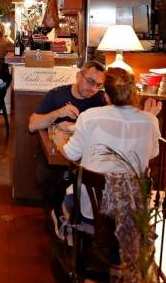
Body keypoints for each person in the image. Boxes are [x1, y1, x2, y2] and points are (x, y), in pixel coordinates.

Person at [52, 68, 161, 235]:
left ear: (107, 96)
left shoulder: (89, 116)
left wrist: (59, 142)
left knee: (64, 199)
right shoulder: (150, 120)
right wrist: (147, 118)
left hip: (93, 209)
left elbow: (72, 154)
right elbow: (152, 153)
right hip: (131, 210)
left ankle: (71, 235)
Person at [28, 60, 108, 223]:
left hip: (86, 157)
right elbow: (32, 125)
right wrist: (58, 113)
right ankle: (59, 218)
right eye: (90, 82)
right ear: (79, 76)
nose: (93, 89)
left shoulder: (101, 100)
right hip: (58, 154)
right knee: (50, 176)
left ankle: (77, 221)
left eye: (98, 85)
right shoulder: (57, 94)